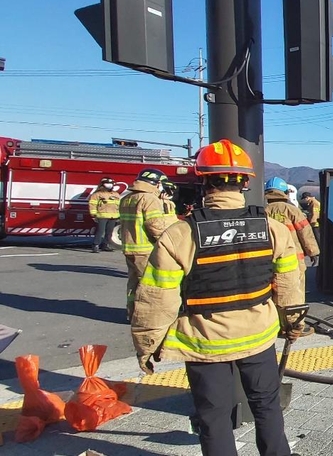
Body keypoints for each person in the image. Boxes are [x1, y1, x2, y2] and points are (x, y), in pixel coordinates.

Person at [131, 139, 305, 456]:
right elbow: (289, 284)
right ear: (245, 182)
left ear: (204, 180)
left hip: (204, 343)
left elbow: (157, 299)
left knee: (214, 418)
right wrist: (292, 322)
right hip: (258, 336)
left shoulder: (180, 233)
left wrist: (147, 345)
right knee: (267, 407)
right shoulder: (273, 230)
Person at [119, 169, 177, 319]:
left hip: (130, 248)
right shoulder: (149, 199)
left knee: (134, 283)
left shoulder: (127, 198)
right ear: (157, 183)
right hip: (145, 250)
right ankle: (145, 317)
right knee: (149, 286)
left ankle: (132, 314)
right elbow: (156, 226)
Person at [265, 176, 321, 312]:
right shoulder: (293, 211)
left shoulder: (263, 211)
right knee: (296, 292)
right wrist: (313, 253)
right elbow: (305, 233)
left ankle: (276, 320)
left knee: (272, 293)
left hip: (269, 261)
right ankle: (294, 323)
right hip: (294, 260)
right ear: (285, 193)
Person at [88, 177, 121, 253]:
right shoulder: (97, 194)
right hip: (102, 216)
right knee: (100, 231)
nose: (110, 185)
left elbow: (119, 205)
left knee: (109, 232)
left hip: (114, 216)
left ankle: (106, 245)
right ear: (102, 184)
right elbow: (92, 205)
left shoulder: (116, 194)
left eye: (111, 183)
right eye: (108, 183)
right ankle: (95, 245)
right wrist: (93, 214)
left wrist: (119, 214)